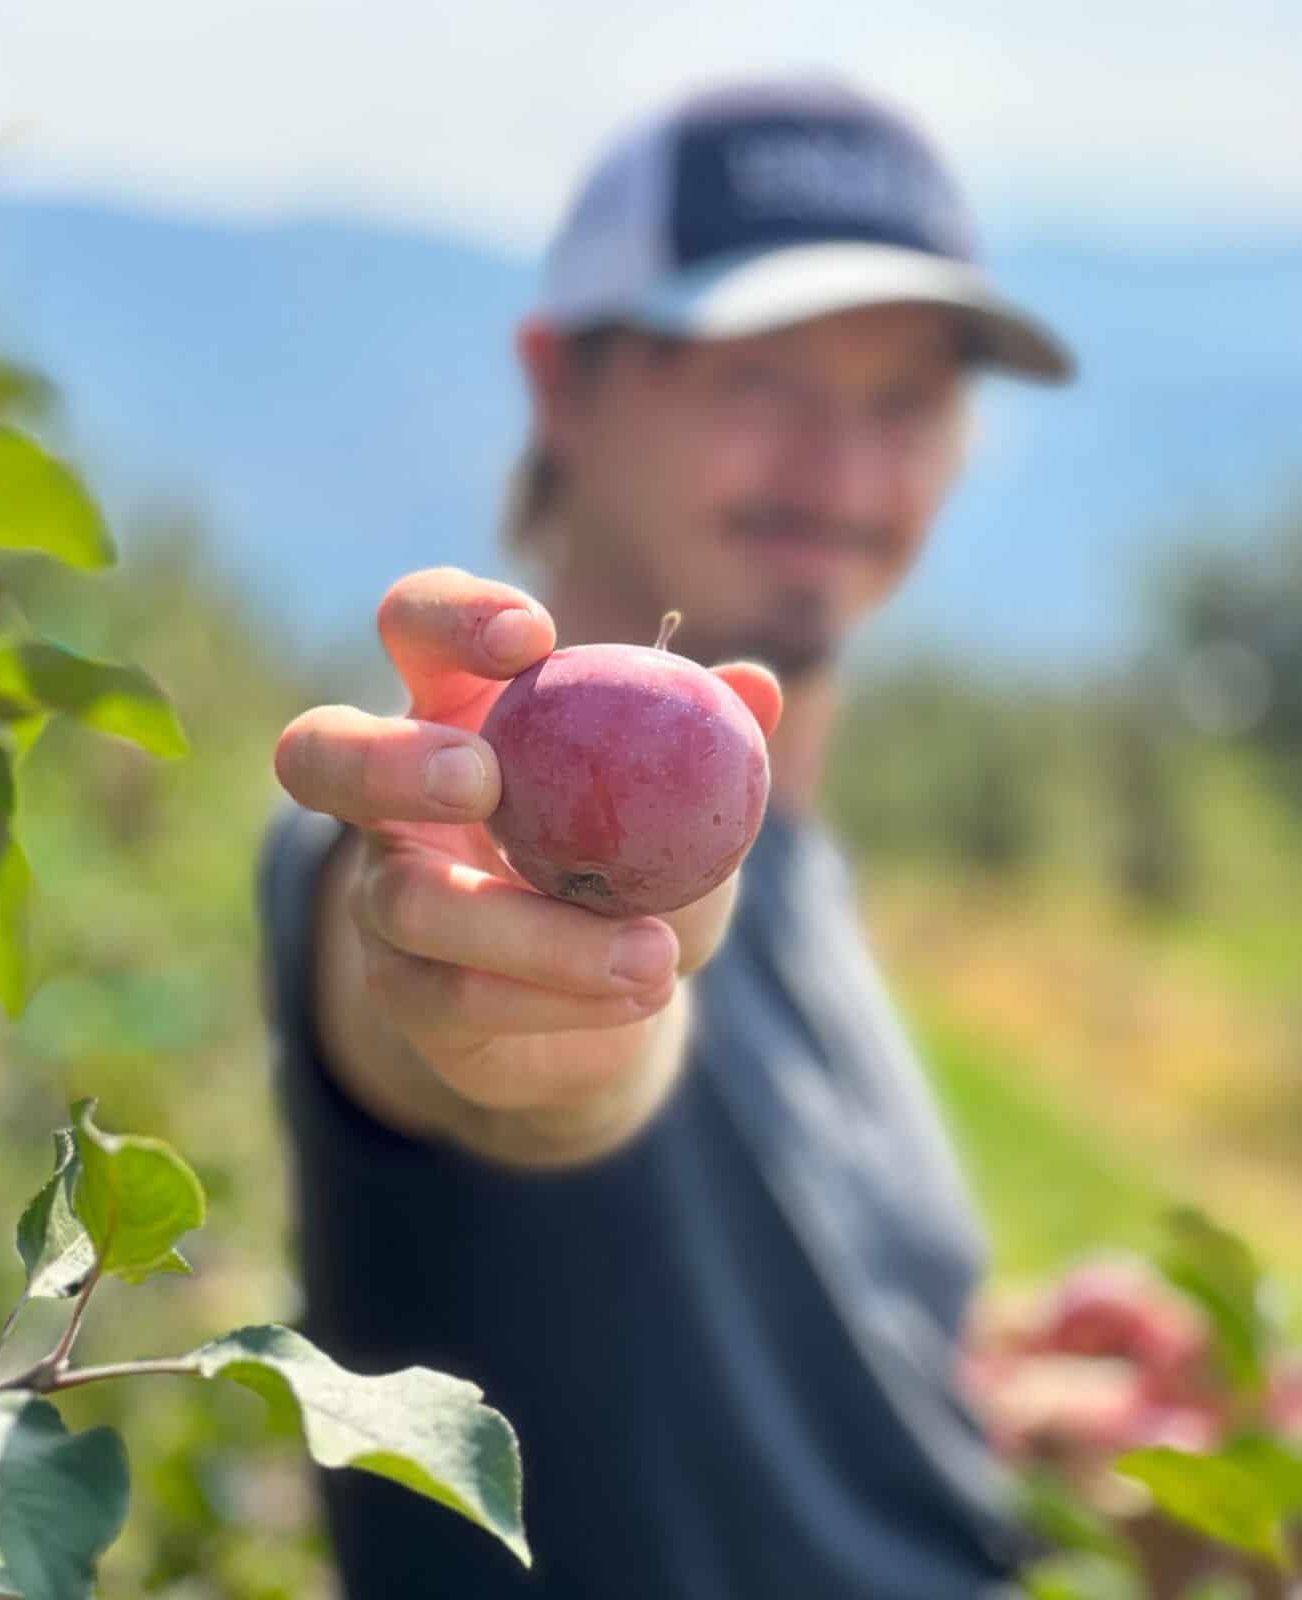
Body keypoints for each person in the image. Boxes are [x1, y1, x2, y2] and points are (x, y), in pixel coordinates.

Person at [259, 73, 1075, 1599]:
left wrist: (1017, 1438)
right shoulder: (439, 851)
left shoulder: (805, 870)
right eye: (759, 379)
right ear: (561, 382)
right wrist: (554, 1019)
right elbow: (481, 1028)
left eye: (904, 400)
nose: (839, 472)